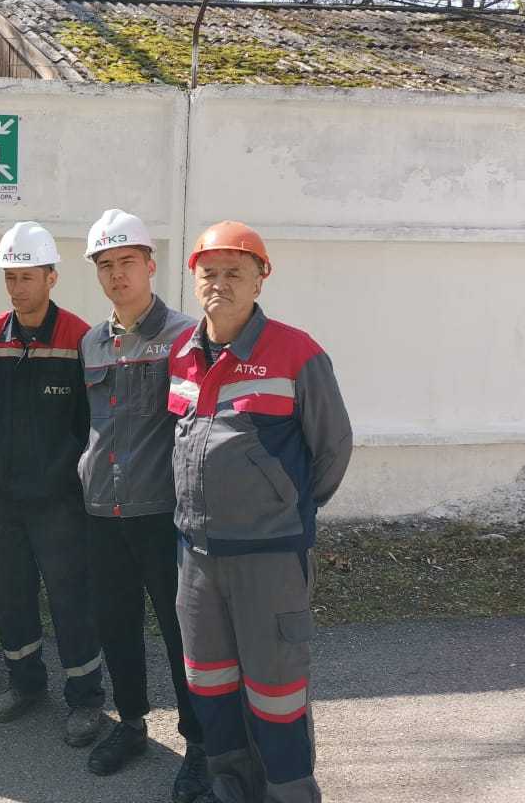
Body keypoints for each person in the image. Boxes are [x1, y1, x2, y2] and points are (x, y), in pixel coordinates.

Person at [169, 221, 352, 803]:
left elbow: (332, 449)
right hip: (197, 557)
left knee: (276, 690)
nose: (219, 283)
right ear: (194, 279)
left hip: (269, 557)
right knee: (210, 682)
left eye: (235, 272)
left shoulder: (297, 352)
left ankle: (288, 792)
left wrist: (285, 508)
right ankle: (231, 784)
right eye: (209, 273)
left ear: (260, 279)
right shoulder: (182, 353)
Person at [78, 209, 209, 802]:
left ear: (150, 265)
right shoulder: (91, 342)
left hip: (162, 513)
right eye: (105, 264)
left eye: (127, 261)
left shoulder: (185, 335)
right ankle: (131, 724)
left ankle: (199, 744)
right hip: (103, 512)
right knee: (116, 624)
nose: (117, 274)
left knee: (182, 633)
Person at [0, 222, 105, 746]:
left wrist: (68, 477)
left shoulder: (80, 338)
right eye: (10, 277)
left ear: (51, 277)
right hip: (5, 498)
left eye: (27, 276)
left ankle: (86, 698)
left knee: (71, 599)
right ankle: (25, 683)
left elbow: (90, 422)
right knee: (10, 596)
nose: (17, 287)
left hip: (59, 501)